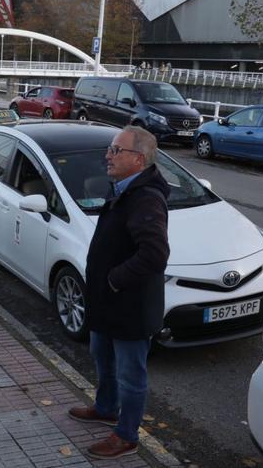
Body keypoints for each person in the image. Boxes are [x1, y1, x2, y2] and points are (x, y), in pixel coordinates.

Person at [68, 125, 170, 460]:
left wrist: (114, 278)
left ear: (138, 159)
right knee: (102, 356)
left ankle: (126, 434)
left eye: (116, 151)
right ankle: (106, 407)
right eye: (110, 149)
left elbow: (155, 253)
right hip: (108, 304)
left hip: (129, 307)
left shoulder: (146, 198)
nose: (107, 156)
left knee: (130, 373)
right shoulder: (125, 189)